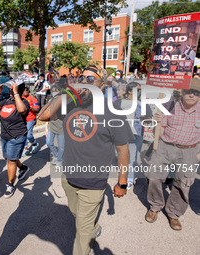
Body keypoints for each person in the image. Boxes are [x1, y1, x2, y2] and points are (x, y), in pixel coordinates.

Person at [39, 65, 133, 255]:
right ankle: (92, 225)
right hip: (68, 178)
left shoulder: (113, 112)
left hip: (93, 181)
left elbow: (123, 149)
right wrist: (66, 94)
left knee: (82, 232)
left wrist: (122, 181)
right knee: (76, 213)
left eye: (91, 79)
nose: (85, 82)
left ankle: (88, 231)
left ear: (103, 85)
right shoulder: (71, 104)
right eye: (82, 77)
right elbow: (43, 116)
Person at [145, 79, 200, 231]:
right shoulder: (169, 105)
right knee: (154, 177)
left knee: (183, 184)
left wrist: (197, 156)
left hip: (189, 150)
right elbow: (160, 132)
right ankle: (155, 206)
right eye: (188, 91)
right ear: (182, 92)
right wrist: (157, 123)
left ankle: (174, 213)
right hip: (165, 146)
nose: (192, 95)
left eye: (196, 93)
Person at [0, 82, 30, 198]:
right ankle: (23, 168)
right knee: (8, 157)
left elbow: (22, 111)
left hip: (16, 136)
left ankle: (10, 184)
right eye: (10, 89)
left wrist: (16, 93)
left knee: (11, 160)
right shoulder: (6, 101)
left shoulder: (24, 102)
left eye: (12, 89)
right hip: (4, 136)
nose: (10, 90)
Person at [117, 82, 152, 189]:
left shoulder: (143, 104)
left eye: (140, 90)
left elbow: (149, 120)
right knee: (121, 156)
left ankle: (129, 180)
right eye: (138, 89)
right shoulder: (119, 102)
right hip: (122, 134)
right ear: (129, 91)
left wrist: (145, 119)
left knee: (133, 158)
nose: (140, 92)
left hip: (137, 135)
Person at [21, 85, 40, 156]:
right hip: (22, 119)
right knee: (23, 134)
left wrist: (29, 106)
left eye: (27, 90)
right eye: (24, 90)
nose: (26, 91)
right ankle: (26, 148)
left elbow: (36, 109)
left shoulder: (32, 98)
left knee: (29, 135)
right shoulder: (20, 98)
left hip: (30, 119)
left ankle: (34, 144)